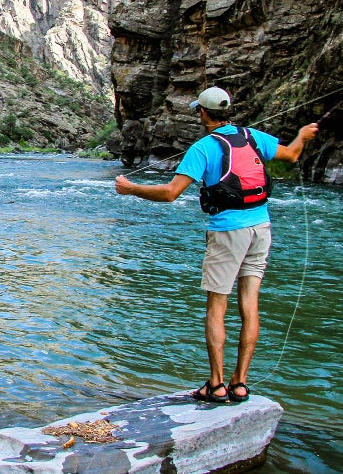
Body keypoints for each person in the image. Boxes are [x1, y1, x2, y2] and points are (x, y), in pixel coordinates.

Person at [113, 87, 318, 403]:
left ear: (204, 113)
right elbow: (291, 154)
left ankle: (217, 384)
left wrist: (131, 188)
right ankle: (240, 384)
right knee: (249, 303)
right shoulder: (253, 137)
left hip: (227, 232)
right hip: (261, 228)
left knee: (217, 307)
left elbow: (170, 193)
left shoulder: (203, 148)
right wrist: (303, 135)